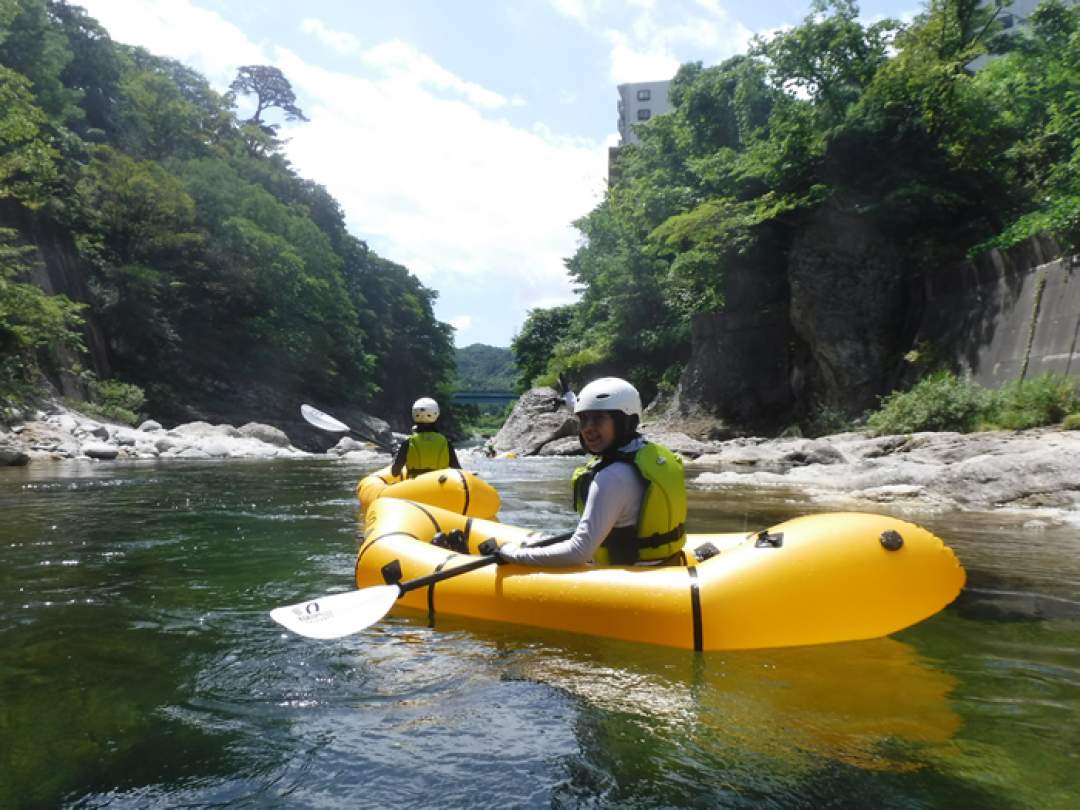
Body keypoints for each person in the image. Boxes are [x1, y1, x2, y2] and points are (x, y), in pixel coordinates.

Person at [496, 377, 687, 567]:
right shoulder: (653, 455)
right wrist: (572, 400)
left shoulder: (612, 476)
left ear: (624, 421)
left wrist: (513, 554)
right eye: (584, 419)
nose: (588, 429)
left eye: (598, 418)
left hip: (628, 586)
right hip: (668, 565)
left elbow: (578, 552)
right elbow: (581, 409)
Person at [390, 397, 461, 479]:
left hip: (414, 487)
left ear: (414, 414)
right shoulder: (446, 442)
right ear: (436, 414)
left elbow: (395, 472)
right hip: (440, 485)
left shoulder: (408, 443)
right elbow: (457, 470)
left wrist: (396, 456)